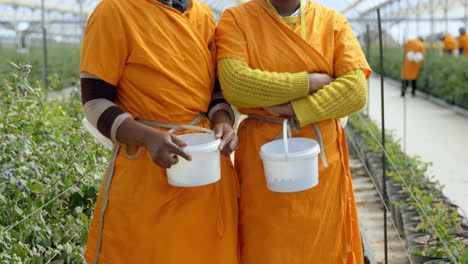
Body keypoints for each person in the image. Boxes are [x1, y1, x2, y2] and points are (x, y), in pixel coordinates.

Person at [80, 0, 240, 263]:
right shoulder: (114, 11)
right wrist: (146, 137)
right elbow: (95, 103)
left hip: (204, 165)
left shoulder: (202, 15)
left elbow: (215, 92)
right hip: (144, 169)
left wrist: (223, 122)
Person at [216, 0, 371, 263]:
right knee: (264, 241)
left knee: (323, 240)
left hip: (322, 160)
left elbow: (355, 91)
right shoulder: (237, 19)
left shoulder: (332, 22)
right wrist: (311, 82)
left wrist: (295, 109)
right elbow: (236, 84)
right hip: (261, 155)